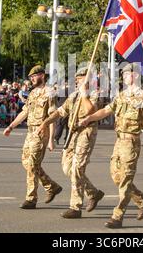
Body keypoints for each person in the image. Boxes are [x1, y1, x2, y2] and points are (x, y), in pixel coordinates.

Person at [80, 63, 143, 229]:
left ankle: (117, 216)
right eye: (123, 74)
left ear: (135, 75)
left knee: (125, 181)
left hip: (131, 142)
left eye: (126, 74)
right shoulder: (121, 96)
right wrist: (89, 118)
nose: (124, 76)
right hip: (118, 141)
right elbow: (107, 110)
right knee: (116, 176)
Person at [37, 67, 104, 219]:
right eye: (78, 78)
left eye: (82, 78)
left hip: (86, 133)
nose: (78, 81)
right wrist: (45, 123)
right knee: (67, 167)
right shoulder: (73, 96)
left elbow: (90, 111)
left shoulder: (95, 94)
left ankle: (75, 207)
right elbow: (61, 112)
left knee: (77, 168)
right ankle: (93, 192)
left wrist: (84, 94)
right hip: (73, 135)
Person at [3, 65, 62, 210]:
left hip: (41, 132)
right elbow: (24, 113)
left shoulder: (50, 93)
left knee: (32, 165)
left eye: (34, 76)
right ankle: (51, 186)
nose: (32, 79)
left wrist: (51, 140)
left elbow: (52, 116)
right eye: (30, 78)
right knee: (26, 163)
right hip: (30, 133)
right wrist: (11, 126)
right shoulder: (33, 93)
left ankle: (31, 198)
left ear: (42, 75)